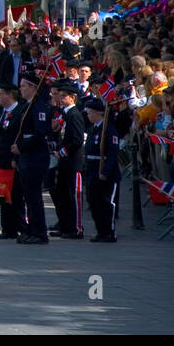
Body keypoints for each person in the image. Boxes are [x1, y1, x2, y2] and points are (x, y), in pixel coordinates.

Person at [14, 69, 51, 244]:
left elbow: (39, 132)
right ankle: (31, 229)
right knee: (28, 197)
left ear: (32, 87)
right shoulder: (26, 106)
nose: (20, 89)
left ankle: (39, 232)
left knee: (34, 197)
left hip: (35, 157)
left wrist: (20, 146)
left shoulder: (38, 106)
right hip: (25, 158)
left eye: (23, 86)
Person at [49, 78, 86, 239]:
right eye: (60, 95)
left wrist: (62, 152)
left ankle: (76, 228)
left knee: (73, 197)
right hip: (64, 163)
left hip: (73, 162)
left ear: (72, 97)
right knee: (63, 196)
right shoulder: (65, 114)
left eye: (64, 96)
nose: (61, 98)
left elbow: (77, 139)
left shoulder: (74, 114)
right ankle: (65, 226)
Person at [82, 94, 120, 243]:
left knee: (105, 203)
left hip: (104, 170)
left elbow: (112, 153)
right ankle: (100, 231)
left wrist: (105, 171)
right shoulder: (93, 129)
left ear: (99, 113)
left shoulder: (108, 129)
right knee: (94, 202)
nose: (88, 114)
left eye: (90, 112)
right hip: (92, 169)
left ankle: (109, 231)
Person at [0, 78, 25, 240]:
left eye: (0, 94)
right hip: (1, 161)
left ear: (9, 95)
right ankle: (7, 228)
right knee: (2, 195)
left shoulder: (19, 112)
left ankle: (21, 227)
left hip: (13, 161)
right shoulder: (1, 113)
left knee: (16, 196)